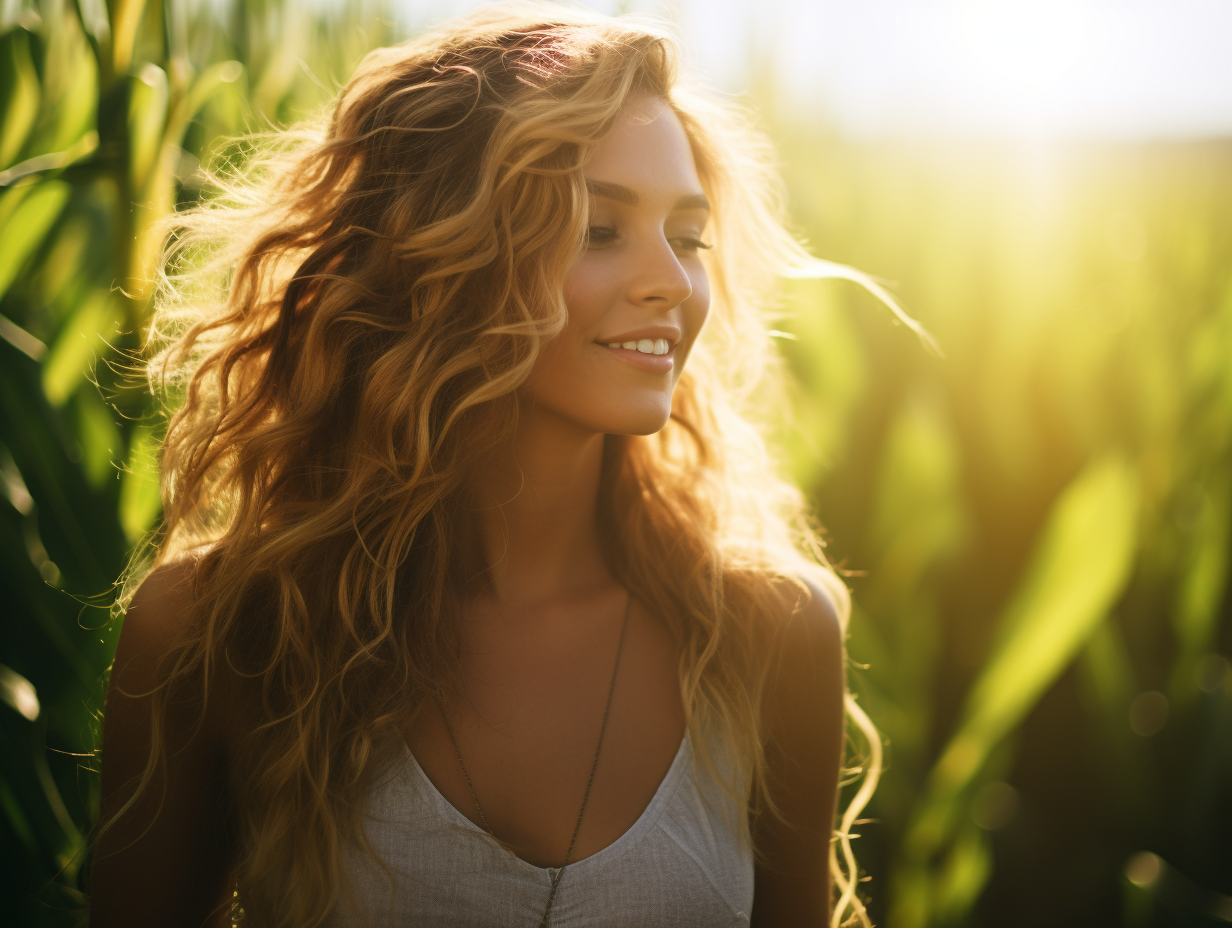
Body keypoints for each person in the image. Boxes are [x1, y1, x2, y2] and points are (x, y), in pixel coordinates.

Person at [90, 5, 881, 927]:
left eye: (689, 235)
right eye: (598, 229)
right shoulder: (223, 635)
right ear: (442, 255)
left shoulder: (770, 636)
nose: (670, 279)